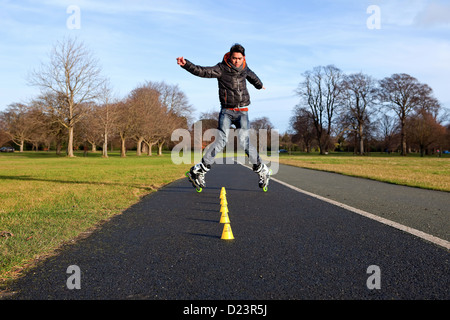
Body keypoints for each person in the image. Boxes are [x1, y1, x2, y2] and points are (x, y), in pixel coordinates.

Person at [176, 43, 270, 190]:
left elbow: (253, 77)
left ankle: (262, 170)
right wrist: (186, 64)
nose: (237, 61)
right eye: (234, 58)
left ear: (243, 58)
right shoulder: (221, 68)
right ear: (230, 56)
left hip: (243, 111)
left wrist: (260, 85)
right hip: (226, 111)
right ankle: (199, 170)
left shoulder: (245, 67)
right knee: (221, 141)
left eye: (239, 58)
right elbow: (203, 71)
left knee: (244, 142)